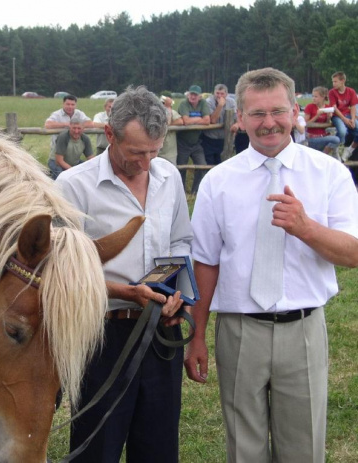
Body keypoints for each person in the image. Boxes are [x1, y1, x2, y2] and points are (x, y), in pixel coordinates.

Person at [185, 67, 358, 463]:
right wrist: (197, 335)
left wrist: (305, 227)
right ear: (240, 119)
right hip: (240, 331)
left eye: (278, 111)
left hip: (304, 331)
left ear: (295, 111)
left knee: (303, 448)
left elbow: (352, 253)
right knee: (243, 448)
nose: (269, 123)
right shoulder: (219, 181)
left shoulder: (329, 173)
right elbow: (206, 262)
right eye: (257, 114)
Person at [56, 86, 193, 462]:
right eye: (136, 153)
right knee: (98, 446)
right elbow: (59, 272)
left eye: (154, 151)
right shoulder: (73, 186)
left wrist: (176, 293)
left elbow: (181, 240)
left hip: (161, 329)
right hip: (102, 333)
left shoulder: (169, 178)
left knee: (159, 445)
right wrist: (125, 291)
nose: (147, 162)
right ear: (110, 134)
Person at [176, 85, 210, 194]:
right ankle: (181, 192)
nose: (193, 96)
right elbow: (185, 121)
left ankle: (195, 191)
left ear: (200, 96)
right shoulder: (183, 104)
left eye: (195, 94)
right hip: (183, 142)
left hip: (196, 143)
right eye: (191, 94)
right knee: (181, 168)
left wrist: (193, 120)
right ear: (188, 94)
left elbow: (207, 121)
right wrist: (199, 118)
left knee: (202, 166)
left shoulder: (203, 103)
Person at [201, 84, 239, 165]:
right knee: (209, 163)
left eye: (222, 94)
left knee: (222, 162)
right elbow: (213, 120)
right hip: (210, 138)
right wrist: (220, 105)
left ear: (226, 94)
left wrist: (237, 124)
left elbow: (237, 117)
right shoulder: (209, 102)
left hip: (224, 139)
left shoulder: (231, 102)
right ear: (214, 93)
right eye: (217, 93)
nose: (219, 96)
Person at [328, 71, 358, 161]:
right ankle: (335, 150)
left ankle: (349, 150)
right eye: (333, 81)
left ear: (343, 81)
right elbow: (334, 108)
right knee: (342, 131)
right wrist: (344, 119)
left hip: (348, 115)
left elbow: (353, 107)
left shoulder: (351, 91)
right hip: (337, 115)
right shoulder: (332, 92)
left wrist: (352, 119)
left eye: (335, 81)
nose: (333, 84)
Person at [304, 86, 340, 157]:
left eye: (316, 96)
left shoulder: (327, 107)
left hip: (323, 136)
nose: (313, 98)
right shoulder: (310, 107)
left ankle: (323, 155)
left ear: (323, 97)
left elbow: (325, 125)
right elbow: (306, 124)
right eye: (313, 96)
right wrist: (317, 115)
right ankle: (324, 156)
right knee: (336, 139)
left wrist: (328, 117)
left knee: (336, 139)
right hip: (312, 138)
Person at [158, 95, 184, 165]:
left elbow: (180, 122)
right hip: (157, 151)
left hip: (169, 153)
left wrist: (168, 125)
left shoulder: (173, 112)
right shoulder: (155, 113)